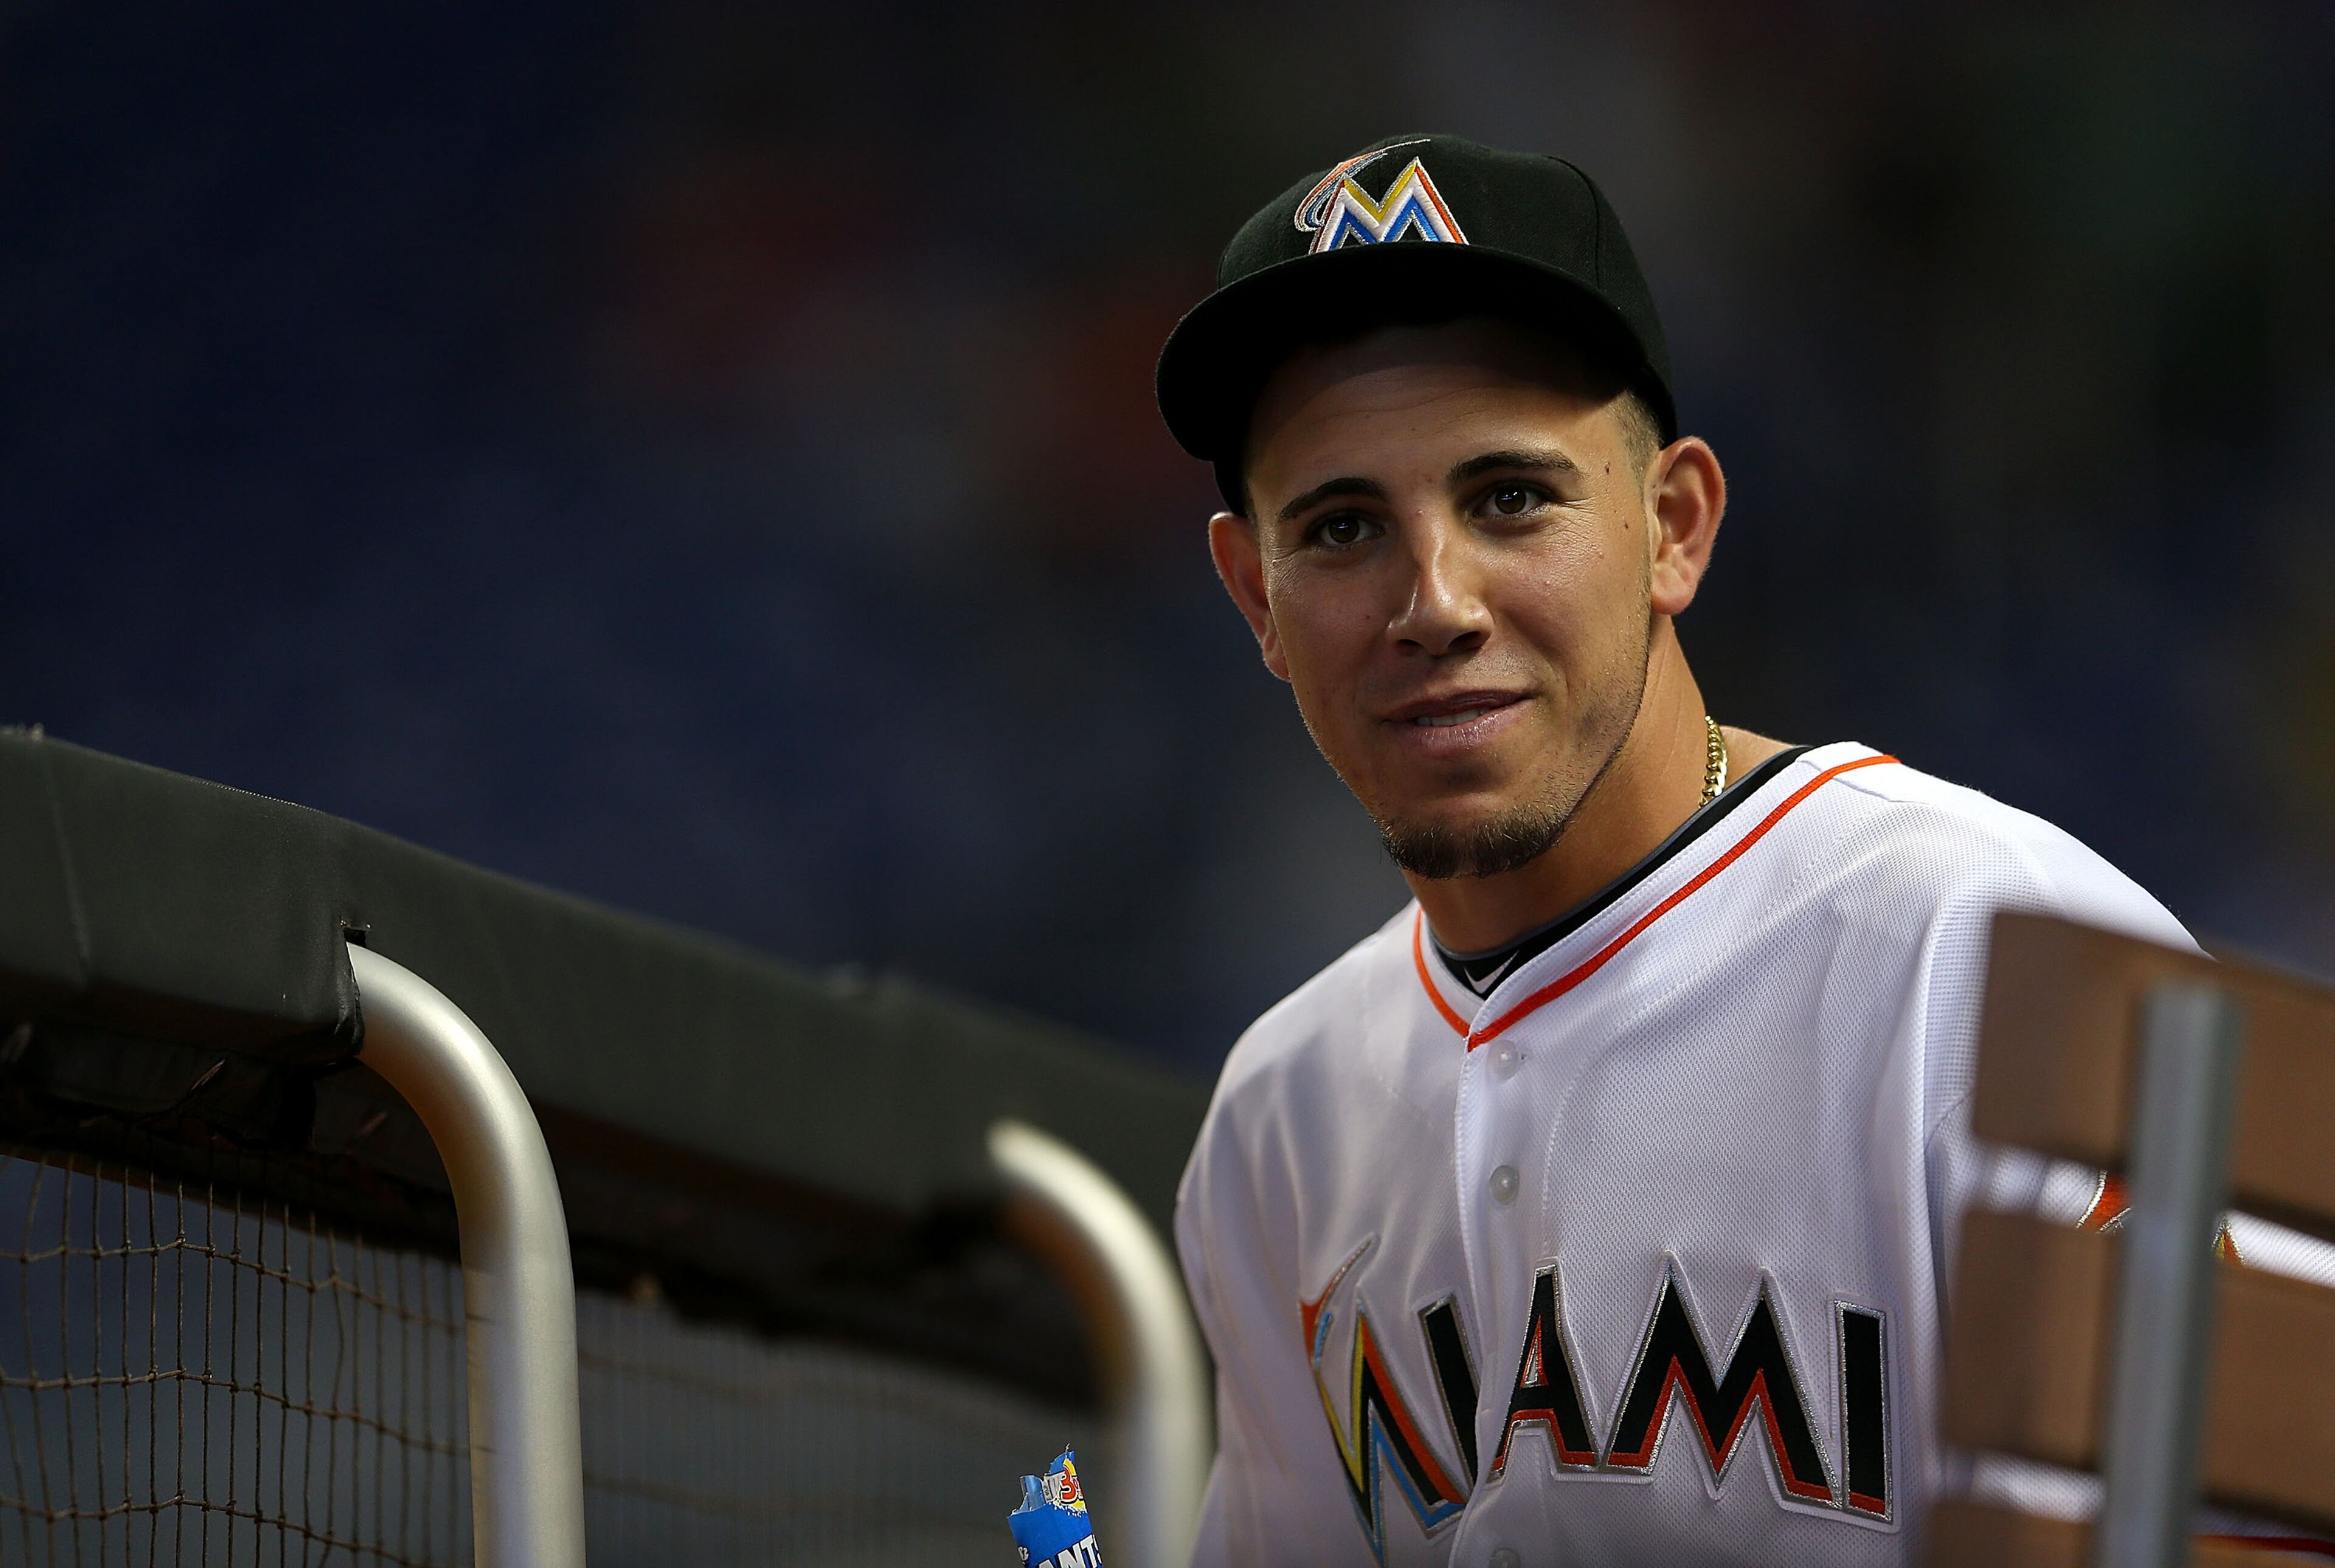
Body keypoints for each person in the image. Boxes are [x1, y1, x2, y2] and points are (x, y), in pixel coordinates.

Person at [1153, 134, 2329, 1566]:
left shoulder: (1992, 951)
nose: (1436, 601)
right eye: (1342, 528)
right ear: (1254, 597)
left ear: (1675, 527)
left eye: (1510, 497)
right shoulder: (1279, 1120)